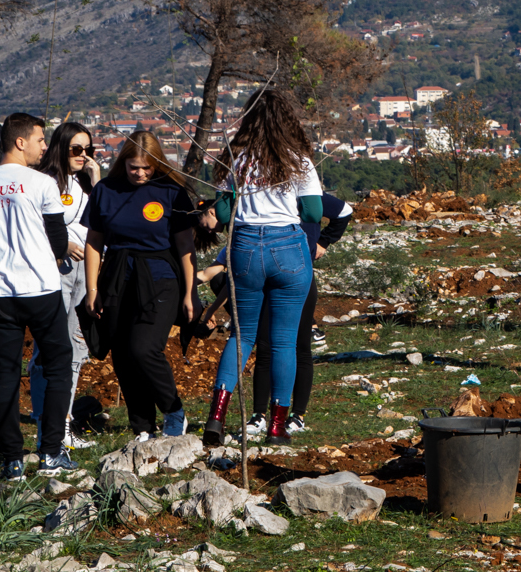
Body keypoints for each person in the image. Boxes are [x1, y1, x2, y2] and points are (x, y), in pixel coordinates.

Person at [200, 89, 322, 448]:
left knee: (242, 335)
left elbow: (222, 214)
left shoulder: (237, 161)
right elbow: (314, 212)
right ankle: (278, 426)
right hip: (288, 247)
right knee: (284, 341)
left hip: (246, 248)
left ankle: (217, 417)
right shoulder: (298, 160)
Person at [0, 112, 75, 477]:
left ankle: (12, 458)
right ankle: (51, 451)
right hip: (40, 289)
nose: (45, 146)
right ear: (20, 141)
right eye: (41, 139)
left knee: (5, 373)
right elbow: (58, 240)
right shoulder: (42, 184)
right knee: (58, 366)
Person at [84, 130, 199, 441]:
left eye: (147, 167)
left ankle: (173, 410)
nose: (141, 173)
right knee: (122, 353)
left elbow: (186, 245)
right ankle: (143, 426)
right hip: (117, 276)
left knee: (144, 347)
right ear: (124, 162)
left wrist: (191, 293)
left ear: (157, 163)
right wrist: (92, 289)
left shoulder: (171, 191)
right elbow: (94, 242)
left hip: (161, 276)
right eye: (135, 167)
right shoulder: (105, 190)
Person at [243, 191, 354, 438]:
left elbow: (344, 211)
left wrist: (324, 242)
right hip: (266, 275)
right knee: (264, 345)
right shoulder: (263, 194)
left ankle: (298, 415)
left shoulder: (305, 194)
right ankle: (259, 414)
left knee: (301, 345)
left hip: (300, 275)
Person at [29, 120, 98, 449]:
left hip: (87, 270)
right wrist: (63, 245)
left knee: (76, 345)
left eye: (89, 150)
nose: (83, 156)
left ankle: (65, 421)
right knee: (50, 347)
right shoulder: (45, 181)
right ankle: (46, 422)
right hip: (56, 269)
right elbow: (35, 224)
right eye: (76, 149)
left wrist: (97, 181)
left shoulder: (86, 182)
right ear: (61, 148)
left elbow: (101, 220)